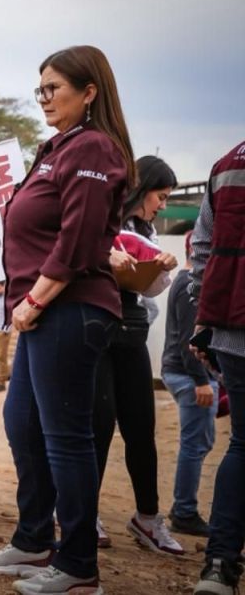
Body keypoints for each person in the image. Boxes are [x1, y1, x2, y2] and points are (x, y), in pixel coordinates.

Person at [0, 45, 133, 595]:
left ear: (89, 92)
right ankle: (34, 538)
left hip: (70, 309)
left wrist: (36, 300)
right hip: (45, 313)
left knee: (65, 437)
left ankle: (79, 565)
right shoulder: (57, 146)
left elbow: (79, 237)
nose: (43, 98)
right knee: (23, 424)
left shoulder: (94, 147)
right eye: (39, 89)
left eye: (53, 88)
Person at [92, 156, 182, 555]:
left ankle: (147, 517)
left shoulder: (147, 232)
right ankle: (83, 513)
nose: (163, 205)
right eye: (160, 196)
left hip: (132, 333)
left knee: (142, 427)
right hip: (97, 328)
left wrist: (160, 270)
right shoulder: (101, 217)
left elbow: (150, 292)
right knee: (98, 426)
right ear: (141, 190)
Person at [189, 139, 245, 595]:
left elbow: (202, 248)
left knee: (242, 445)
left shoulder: (228, 164)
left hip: (231, 332)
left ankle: (220, 566)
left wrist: (204, 320)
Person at [161, 231, 219, 538]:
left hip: (187, 374)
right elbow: (189, 340)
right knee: (195, 445)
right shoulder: (190, 286)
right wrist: (201, 381)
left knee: (199, 443)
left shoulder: (187, 282)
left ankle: (183, 509)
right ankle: (184, 511)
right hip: (189, 376)